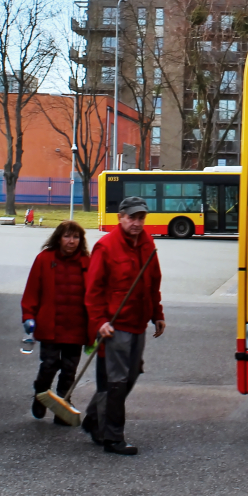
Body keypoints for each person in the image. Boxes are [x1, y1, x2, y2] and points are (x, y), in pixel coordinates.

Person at [82, 195, 164, 456]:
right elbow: (92, 291)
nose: (137, 223)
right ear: (120, 217)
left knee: (132, 374)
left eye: (141, 218)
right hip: (115, 325)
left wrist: (157, 313)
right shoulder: (105, 247)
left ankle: (95, 418)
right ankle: (113, 437)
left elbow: (153, 282)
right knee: (116, 381)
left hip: (139, 322)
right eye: (132, 218)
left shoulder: (148, 243)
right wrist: (99, 322)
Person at [20, 220, 91, 424]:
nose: (71, 241)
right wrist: (28, 316)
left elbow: (95, 295)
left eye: (76, 237)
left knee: (69, 370)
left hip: (76, 327)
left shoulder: (87, 262)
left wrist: (95, 325)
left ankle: (63, 405)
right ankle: (41, 396)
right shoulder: (44, 259)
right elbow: (32, 291)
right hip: (50, 326)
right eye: (67, 236)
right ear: (58, 238)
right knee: (49, 366)